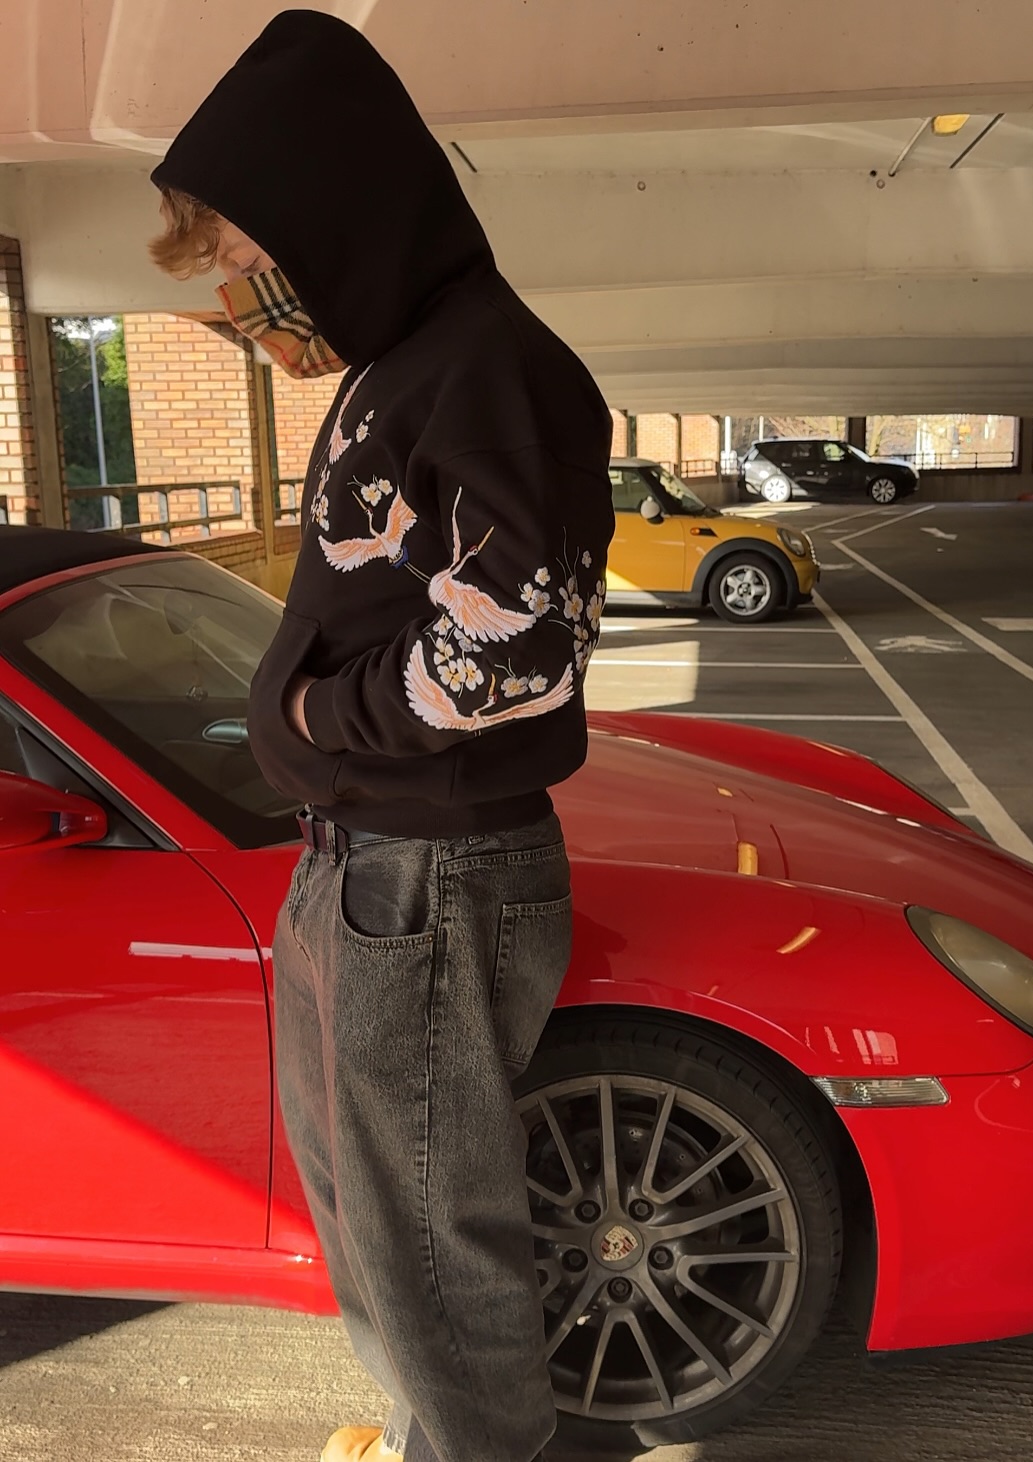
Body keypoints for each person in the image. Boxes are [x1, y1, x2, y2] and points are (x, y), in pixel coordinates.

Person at [148, 12, 615, 1462]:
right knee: (374, 1211)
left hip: (428, 870)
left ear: (325, 212)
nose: (235, 288)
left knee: (426, 1232)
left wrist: (317, 715)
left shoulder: (486, 366)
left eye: (239, 248)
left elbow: (521, 644)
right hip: (371, 862)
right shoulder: (403, 365)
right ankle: (436, 1433)